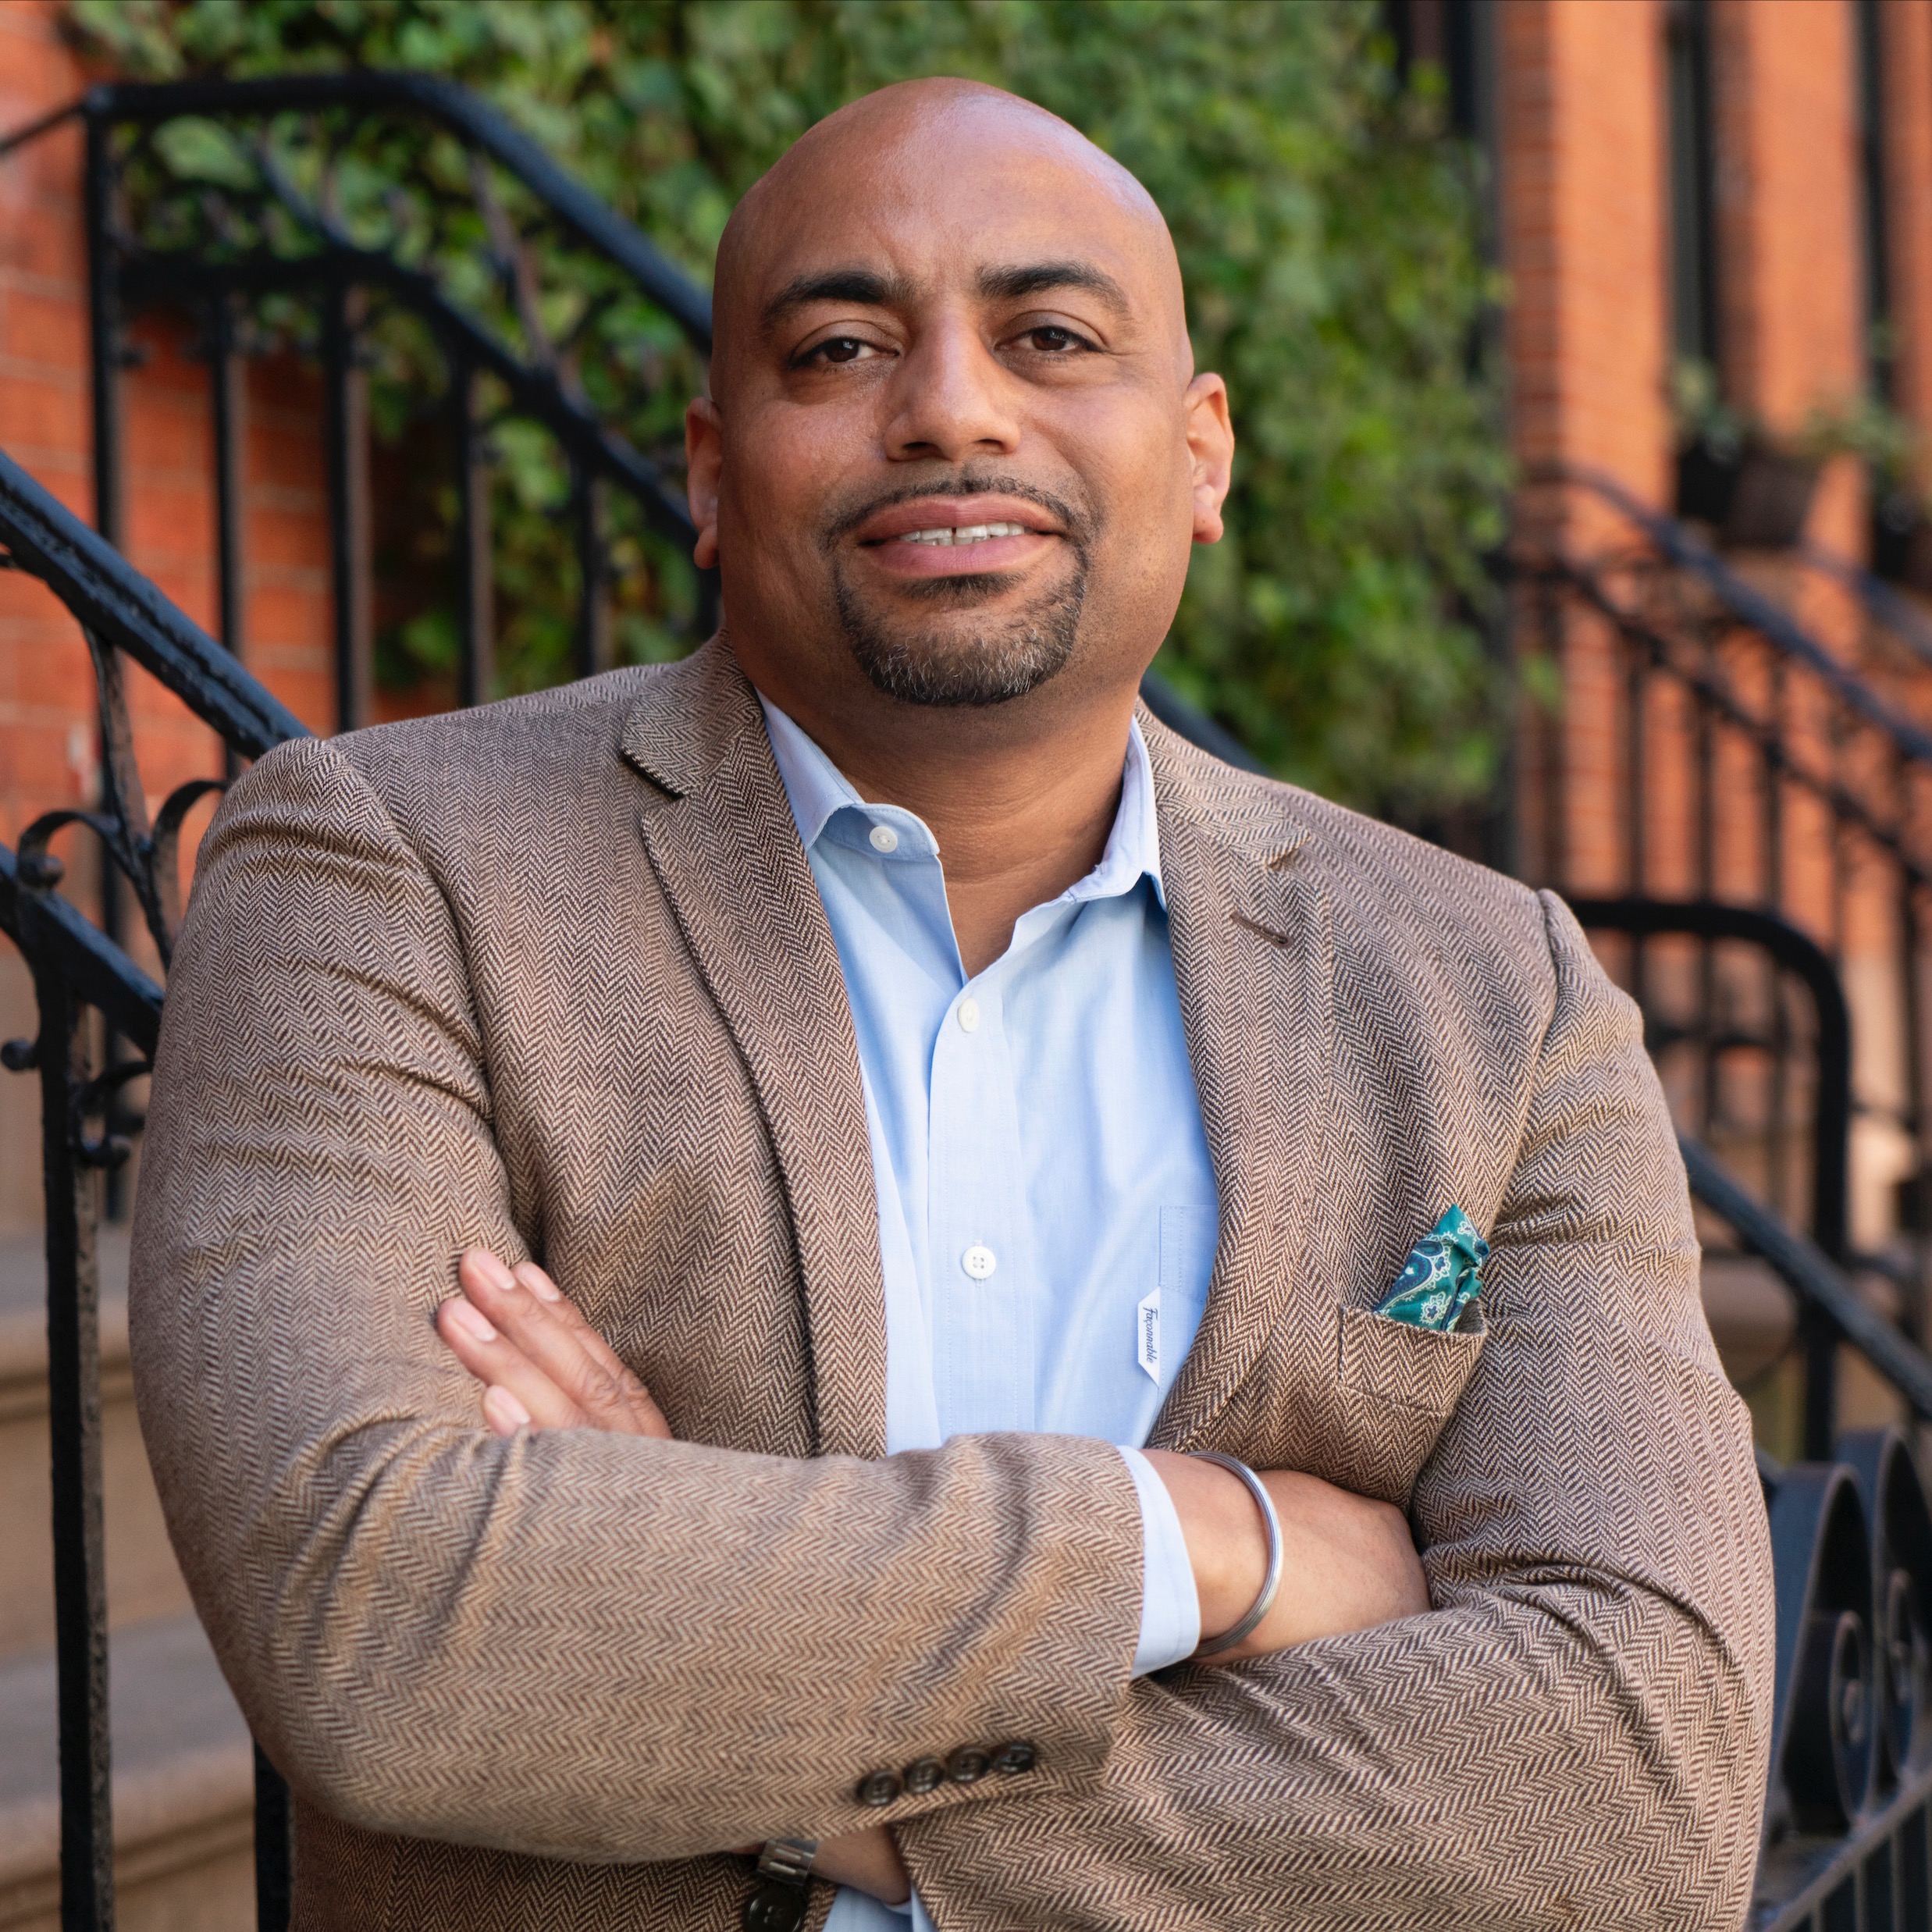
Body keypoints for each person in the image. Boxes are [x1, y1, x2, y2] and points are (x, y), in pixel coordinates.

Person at [130, 77, 1774, 1932]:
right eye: (838, 347)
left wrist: (729, 1719)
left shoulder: (1491, 988)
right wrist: (1213, 1540)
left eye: (1048, 335)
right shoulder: (393, 872)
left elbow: (1645, 1781)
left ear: (1201, 449)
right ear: (707, 466)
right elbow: (378, 1613)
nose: (950, 408)